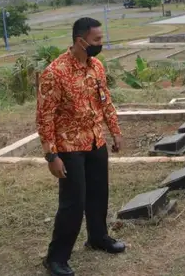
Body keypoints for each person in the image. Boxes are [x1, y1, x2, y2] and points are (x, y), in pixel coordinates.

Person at [36, 18, 125, 276]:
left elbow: (105, 102)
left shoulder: (96, 66)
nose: (101, 44)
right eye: (97, 40)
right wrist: (51, 155)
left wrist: (115, 132)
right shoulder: (55, 73)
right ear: (80, 41)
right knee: (73, 202)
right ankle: (56, 258)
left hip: (96, 141)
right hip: (69, 145)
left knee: (99, 194)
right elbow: (45, 116)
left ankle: (97, 237)